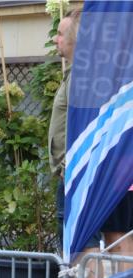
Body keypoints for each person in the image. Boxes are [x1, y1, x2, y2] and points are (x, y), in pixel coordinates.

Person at [48, 9, 103, 264]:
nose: (55, 39)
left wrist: (69, 167)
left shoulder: (82, 75)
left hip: (76, 175)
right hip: (74, 172)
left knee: (81, 246)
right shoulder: (78, 73)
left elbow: (88, 124)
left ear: (75, 40)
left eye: (60, 34)